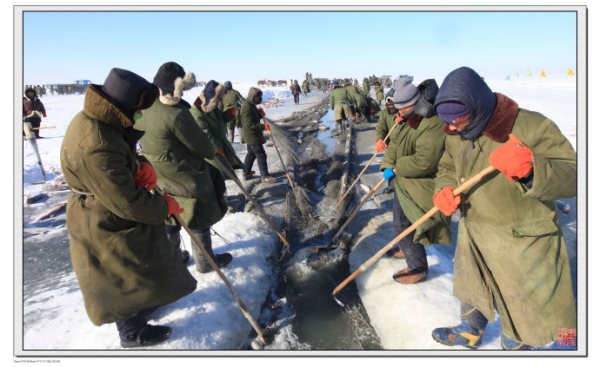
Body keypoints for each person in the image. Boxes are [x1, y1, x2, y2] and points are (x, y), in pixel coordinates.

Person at [431, 66, 576, 350]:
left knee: (522, 306)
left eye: (456, 121)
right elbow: (447, 165)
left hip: (521, 241)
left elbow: (575, 174)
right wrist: (444, 188)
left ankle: (541, 347)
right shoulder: (454, 132)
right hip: (475, 232)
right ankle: (471, 330)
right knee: (473, 286)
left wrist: (533, 169)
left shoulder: (531, 126)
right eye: (444, 122)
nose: (449, 128)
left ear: (478, 106)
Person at [59, 67, 197, 348]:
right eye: (138, 109)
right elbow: (127, 201)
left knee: (134, 264)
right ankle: (132, 333)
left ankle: (141, 309)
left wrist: (137, 167)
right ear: (124, 105)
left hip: (104, 204)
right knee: (123, 271)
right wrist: (163, 206)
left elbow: (118, 159)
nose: (140, 116)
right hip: (101, 216)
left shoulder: (101, 120)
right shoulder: (97, 143)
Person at [135, 61, 233, 273]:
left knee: (169, 213)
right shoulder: (177, 114)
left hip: (157, 176)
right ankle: (205, 261)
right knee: (197, 212)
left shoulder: (144, 109)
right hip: (184, 175)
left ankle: (175, 257)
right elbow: (203, 148)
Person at [379, 78, 451, 283]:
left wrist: (397, 167)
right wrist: (388, 165)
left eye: (400, 109)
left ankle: (417, 267)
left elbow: (425, 161)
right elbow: (394, 145)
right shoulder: (408, 118)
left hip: (420, 182)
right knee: (401, 222)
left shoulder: (432, 122)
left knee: (403, 223)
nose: (397, 114)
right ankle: (407, 248)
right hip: (404, 179)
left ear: (411, 105)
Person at [191, 80, 246, 203]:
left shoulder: (213, 107)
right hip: (209, 151)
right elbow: (204, 132)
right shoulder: (197, 111)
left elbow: (220, 120)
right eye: (218, 98)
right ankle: (221, 201)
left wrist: (229, 114)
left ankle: (222, 199)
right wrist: (215, 147)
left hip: (219, 145)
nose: (220, 101)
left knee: (221, 175)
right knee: (217, 175)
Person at [241, 87, 276, 183]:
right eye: (256, 97)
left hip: (251, 136)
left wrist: (260, 115)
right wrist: (264, 127)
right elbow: (250, 125)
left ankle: (246, 173)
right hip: (252, 136)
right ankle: (264, 176)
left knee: (251, 155)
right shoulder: (246, 107)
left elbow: (253, 118)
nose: (257, 99)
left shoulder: (251, 105)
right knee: (261, 155)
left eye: (258, 97)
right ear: (251, 96)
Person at [374, 91, 398, 195]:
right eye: (389, 104)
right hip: (391, 145)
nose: (391, 106)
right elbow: (381, 128)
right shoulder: (384, 113)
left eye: (393, 104)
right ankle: (391, 186)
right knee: (390, 166)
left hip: (404, 144)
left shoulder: (404, 113)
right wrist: (379, 139)